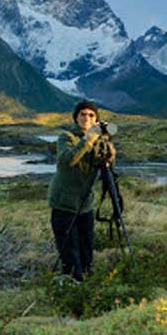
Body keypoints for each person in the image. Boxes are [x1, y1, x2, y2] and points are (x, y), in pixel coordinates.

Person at [47, 100, 115, 281]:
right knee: (69, 250)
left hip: (85, 203)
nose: (87, 117)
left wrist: (108, 149)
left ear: (96, 120)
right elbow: (67, 160)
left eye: (91, 115)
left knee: (86, 247)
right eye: (83, 114)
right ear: (76, 117)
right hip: (64, 203)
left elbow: (105, 167)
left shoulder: (98, 140)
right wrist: (89, 139)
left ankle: (87, 280)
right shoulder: (66, 137)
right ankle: (73, 284)